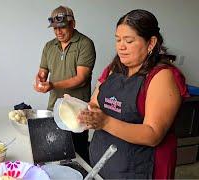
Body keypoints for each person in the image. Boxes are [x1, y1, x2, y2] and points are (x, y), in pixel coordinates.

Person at [78, 9, 188, 179]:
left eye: (129, 41)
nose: (121, 46)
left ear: (151, 43)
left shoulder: (161, 77)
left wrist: (105, 122)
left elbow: (153, 134)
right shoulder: (114, 69)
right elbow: (94, 103)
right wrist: (79, 109)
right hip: (103, 164)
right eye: (118, 40)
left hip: (139, 169)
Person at [34, 5, 96, 163]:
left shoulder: (85, 44)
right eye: (54, 28)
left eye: (62, 27)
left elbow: (80, 78)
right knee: (53, 154)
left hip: (78, 111)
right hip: (54, 108)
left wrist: (52, 85)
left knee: (78, 157)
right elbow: (43, 72)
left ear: (73, 24)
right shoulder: (49, 46)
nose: (58, 32)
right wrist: (40, 80)